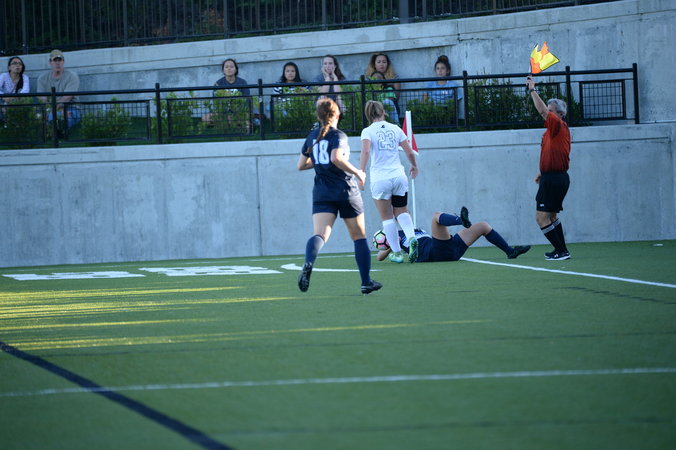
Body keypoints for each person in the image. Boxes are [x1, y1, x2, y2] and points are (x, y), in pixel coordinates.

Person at [297, 98, 382, 295]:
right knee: (359, 236)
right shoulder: (338, 135)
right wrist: (358, 172)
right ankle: (366, 282)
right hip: (345, 191)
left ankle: (309, 262)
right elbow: (336, 158)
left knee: (319, 234)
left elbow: (301, 165)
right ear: (337, 115)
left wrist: (319, 161)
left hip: (322, 192)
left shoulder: (312, 136)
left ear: (319, 116)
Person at [359, 100, 418, 263]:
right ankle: (412, 238)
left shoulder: (367, 131)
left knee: (387, 217)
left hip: (380, 178)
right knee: (402, 211)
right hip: (398, 175)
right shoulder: (395, 128)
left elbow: (365, 152)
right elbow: (409, 151)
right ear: (383, 112)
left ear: (368, 115)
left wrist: (361, 173)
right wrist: (414, 165)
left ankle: (397, 253)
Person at [376, 207, 531, 263]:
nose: (406, 216)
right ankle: (460, 220)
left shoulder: (416, 229)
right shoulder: (395, 234)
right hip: (433, 253)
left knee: (483, 226)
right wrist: (391, 245)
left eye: (406, 214)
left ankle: (510, 252)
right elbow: (379, 257)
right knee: (436, 217)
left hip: (450, 251)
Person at [526, 74, 572, 261]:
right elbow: (555, 154)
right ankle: (562, 250)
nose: (548, 113)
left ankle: (561, 251)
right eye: (549, 111)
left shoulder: (558, 125)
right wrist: (542, 172)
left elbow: (543, 112)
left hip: (555, 178)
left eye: (552, 111)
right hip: (552, 177)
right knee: (551, 216)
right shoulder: (549, 132)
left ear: (560, 114)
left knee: (541, 217)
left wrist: (532, 89)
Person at [37, 49, 80, 129]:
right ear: (50, 62)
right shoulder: (42, 78)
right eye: (55, 60)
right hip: (49, 109)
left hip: (70, 108)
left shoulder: (72, 76)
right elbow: (42, 99)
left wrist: (55, 111)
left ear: (63, 61)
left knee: (61, 120)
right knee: (43, 118)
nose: (57, 63)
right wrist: (50, 111)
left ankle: (56, 130)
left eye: (60, 60)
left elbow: (67, 98)